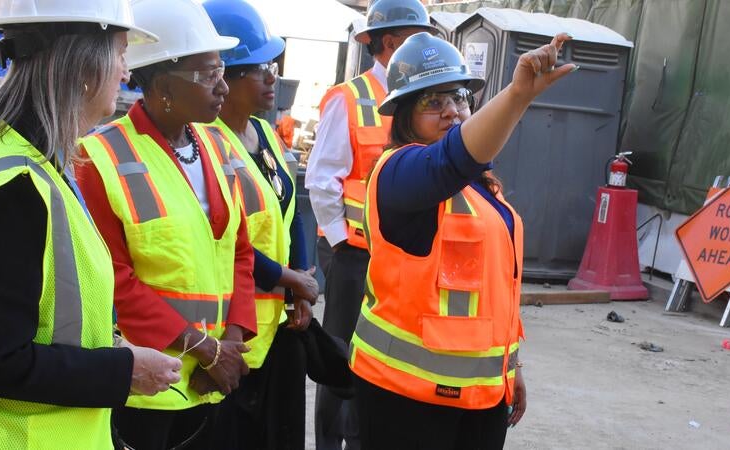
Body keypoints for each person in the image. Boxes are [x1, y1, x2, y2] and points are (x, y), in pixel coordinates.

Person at [0, 1, 182, 448]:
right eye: (120, 52)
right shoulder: (15, 187)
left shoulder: (21, 165)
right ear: (83, 61)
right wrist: (124, 371)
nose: (125, 73)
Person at [349, 32, 575, 449]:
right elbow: (452, 158)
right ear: (403, 115)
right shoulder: (398, 173)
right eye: (432, 102)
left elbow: (493, 291)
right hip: (406, 397)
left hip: (480, 396)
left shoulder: (478, 188)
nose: (452, 111)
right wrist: (518, 95)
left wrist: (511, 367)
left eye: (459, 98)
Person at [73, 0, 257, 447]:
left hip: (213, 383)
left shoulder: (216, 145)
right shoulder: (98, 158)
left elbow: (240, 249)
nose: (223, 88)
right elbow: (113, 278)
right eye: (208, 74)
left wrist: (230, 348)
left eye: (222, 72)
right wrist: (206, 350)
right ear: (161, 85)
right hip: (147, 390)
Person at [305, 0, 435, 448]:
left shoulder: (423, 97)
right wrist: (342, 245)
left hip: (400, 254)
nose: (426, 48)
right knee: (340, 353)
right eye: (417, 39)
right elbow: (322, 180)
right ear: (389, 43)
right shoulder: (350, 99)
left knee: (383, 353)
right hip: (353, 252)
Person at [201, 0, 321, 448]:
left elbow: (290, 213)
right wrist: (286, 278)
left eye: (272, 64)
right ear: (223, 79)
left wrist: (300, 284)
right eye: (259, 68)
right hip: (234, 328)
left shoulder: (266, 134)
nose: (273, 77)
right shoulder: (206, 147)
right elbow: (224, 242)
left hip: (280, 323)